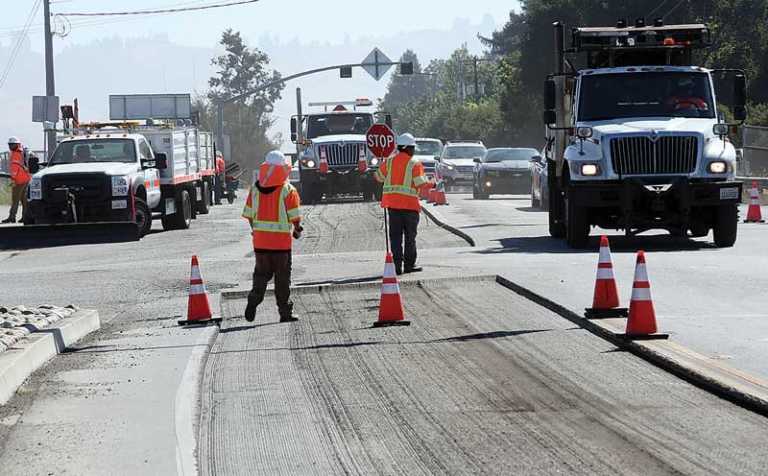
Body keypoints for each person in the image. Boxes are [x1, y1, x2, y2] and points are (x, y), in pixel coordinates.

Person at [242, 150, 303, 323]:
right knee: (282, 279)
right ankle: (285, 313)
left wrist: (257, 232)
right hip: (281, 245)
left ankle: (254, 300)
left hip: (260, 243)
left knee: (261, 275)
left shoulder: (254, 189)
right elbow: (295, 217)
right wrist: (297, 229)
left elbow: (249, 215)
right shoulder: (288, 190)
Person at [375, 133, 430, 275]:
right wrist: (433, 182)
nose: (414, 150)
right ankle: (409, 266)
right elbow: (421, 183)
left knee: (395, 237)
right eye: (412, 148)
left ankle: (396, 267)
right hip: (410, 207)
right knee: (410, 237)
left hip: (393, 207)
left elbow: (378, 177)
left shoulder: (389, 161)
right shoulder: (414, 163)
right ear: (407, 148)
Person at [2, 137, 31, 224]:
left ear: (16, 144)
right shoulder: (22, 152)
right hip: (26, 178)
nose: (10, 146)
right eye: (9, 144)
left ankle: (12, 217)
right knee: (24, 200)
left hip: (19, 180)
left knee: (15, 199)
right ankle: (25, 217)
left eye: (12, 144)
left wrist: (13, 180)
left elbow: (15, 169)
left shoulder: (16, 153)